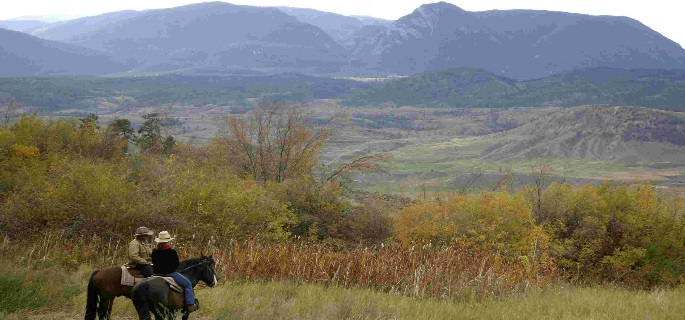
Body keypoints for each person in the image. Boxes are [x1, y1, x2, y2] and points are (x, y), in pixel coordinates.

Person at [151, 231, 197, 312]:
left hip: (156, 274)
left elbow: (153, 262)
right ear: (167, 241)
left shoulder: (154, 251)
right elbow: (176, 265)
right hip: (170, 273)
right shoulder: (172, 252)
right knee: (187, 284)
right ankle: (190, 304)